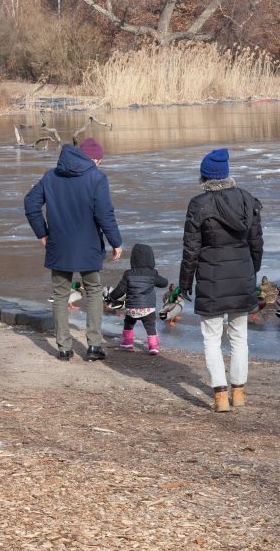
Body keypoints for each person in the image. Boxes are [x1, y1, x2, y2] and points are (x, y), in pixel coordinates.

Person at [178, 148, 263, 412]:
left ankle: (220, 397)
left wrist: (185, 283)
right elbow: (257, 243)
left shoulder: (198, 205)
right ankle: (238, 392)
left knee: (212, 339)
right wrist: (252, 271)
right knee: (239, 338)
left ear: (205, 177)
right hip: (241, 277)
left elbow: (191, 249)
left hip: (211, 279)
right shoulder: (247, 200)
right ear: (226, 175)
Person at [24, 137, 122, 361]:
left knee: (60, 295)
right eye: (99, 161)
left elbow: (30, 203)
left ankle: (64, 348)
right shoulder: (97, 178)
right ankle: (94, 346)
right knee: (94, 292)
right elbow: (104, 214)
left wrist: (42, 233)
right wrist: (115, 241)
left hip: (59, 246)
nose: (99, 165)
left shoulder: (51, 176)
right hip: (88, 246)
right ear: (94, 159)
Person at [107, 243, 169, 355]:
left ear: (133, 259)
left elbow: (120, 290)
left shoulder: (128, 274)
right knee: (150, 326)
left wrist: (111, 297)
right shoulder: (152, 273)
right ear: (151, 259)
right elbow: (163, 283)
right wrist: (164, 280)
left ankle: (127, 343)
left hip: (132, 308)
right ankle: (153, 347)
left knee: (128, 323)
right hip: (148, 309)